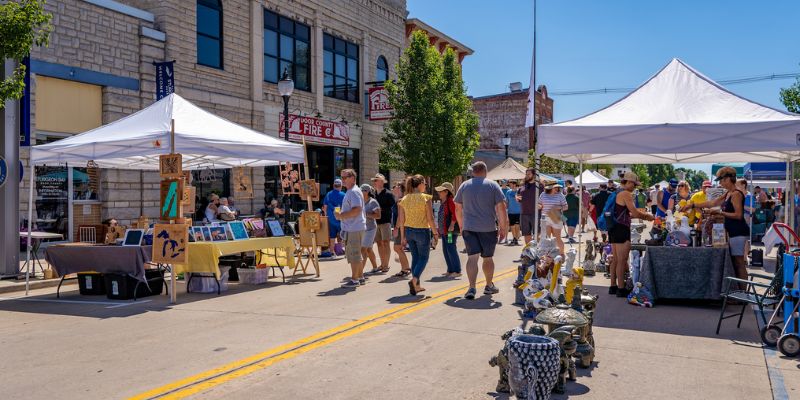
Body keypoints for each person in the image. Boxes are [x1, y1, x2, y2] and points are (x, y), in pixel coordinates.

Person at [682, 166, 750, 284]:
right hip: (733, 231)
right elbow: (712, 203)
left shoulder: (736, 194)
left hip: (738, 231)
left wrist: (719, 212)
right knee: (735, 262)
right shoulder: (729, 193)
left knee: (739, 262)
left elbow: (738, 215)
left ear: (728, 179)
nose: (720, 183)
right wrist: (692, 205)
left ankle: (743, 294)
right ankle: (739, 293)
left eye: (721, 180)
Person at [455, 161, 508, 300]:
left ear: (473, 171)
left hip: (469, 227)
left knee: (472, 258)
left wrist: (461, 225)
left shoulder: (464, 186)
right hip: (488, 228)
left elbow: (458, 208)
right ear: (485, 171)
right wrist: (503, 228)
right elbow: (501, 209)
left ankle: (471, 288)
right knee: (488, 258)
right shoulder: (492, 185)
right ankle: (489, 285)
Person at [609, 172, 655, 297]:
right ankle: (621, 288)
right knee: (622, 260)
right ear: (628, 182)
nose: (634, 187)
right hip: (621, 229)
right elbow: (634, 211)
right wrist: (647, 216)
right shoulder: (625, 194)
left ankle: (613, 286)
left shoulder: (616, 192)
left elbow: (625, 212)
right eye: (634, 184)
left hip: (613, 227)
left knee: (616, 259)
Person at [397, 175, 437, 295]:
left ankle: (417, 285)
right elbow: (430, 218)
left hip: (409, 231)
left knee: (415, 257)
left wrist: (403, 236)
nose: (426, 186)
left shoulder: (405, 199)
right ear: (419, 184)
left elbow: (401, 220)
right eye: (425, 183)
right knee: (424, 258)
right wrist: (435, 233)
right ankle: (414, 280)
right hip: (422, 231)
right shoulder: (426, 198)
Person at [334, 169, 366, 288]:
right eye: (341, 177)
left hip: (354, 227)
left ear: (352, 178)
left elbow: (357, 209)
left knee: (354, 254)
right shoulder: (352, 191)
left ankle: (354, 279)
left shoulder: (353, 192)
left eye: (345, 177)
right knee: (356, 253)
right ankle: (360, 277)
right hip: (354, 227)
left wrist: (341, 216)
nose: (342, 180)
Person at [435, 182, 461, 277]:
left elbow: (455, 213)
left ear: (446, 192)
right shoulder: (444, 201)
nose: (439, 193)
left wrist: (452, 225)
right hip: (444, 231)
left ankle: (457, 271)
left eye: (441, 191)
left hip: (450, 231)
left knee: (451, 248)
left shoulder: (450, 201)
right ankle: (450, 270)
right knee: (446, 249)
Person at [371, 174, 395, 273]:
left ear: (382, 182)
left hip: (385, 221)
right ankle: (382, 264)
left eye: (377, 180)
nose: (375, 182)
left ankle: (386, 265)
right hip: (376, 222)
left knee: (386, 243)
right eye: (374, 180)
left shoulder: (388, 194)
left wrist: (382, 210)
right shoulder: (373, 194)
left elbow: (393, 207)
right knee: (379, 243)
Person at [539, 183, 568, 255]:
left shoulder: (560, 195)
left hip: (556, 216)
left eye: (557, 187)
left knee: (557, 237)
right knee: (547, 238)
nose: (557, 189)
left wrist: (558, 207)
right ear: (549, 188)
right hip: (545, 217)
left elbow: (566, 207)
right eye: (555, 188)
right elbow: (539, 204)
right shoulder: (543, 194)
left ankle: (561, 254)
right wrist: (538, 206)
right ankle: (548, 256)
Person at [391, 180, 411, 277]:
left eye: (396, 186)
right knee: (398, 248)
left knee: (398, 247)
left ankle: (406, 268)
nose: (394, 187)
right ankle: (405, 268)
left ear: (399, 188)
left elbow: (400, 217)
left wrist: (396, 228)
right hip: (401, 227)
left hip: (400, 227)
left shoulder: (401, 200)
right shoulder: (399, 199)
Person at [360, 184, 381, 275]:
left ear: (367, 192)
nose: (360, 192)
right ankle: (375, 267)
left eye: (363, 190)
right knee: (368, 249)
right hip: (362, 228)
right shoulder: (359, 201)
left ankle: (359, 273)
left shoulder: (373, 202)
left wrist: (366, 214)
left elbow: (378, 216)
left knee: (363, 249)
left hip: (370, 229)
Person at [323, 178, 346, 251]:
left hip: (331, 219)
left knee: (332, 236)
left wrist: (326, 215)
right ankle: (342, 251)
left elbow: (325, 207)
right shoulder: (344, 195)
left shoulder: (329, 194)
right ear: (341, 186)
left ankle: (332, 252)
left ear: (333, 185)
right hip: (340, 219)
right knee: (343, 235)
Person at [517, 168, 539, 244]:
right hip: (524, 213)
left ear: (534, 175)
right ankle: (529, 251)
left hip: (536, 213)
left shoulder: (539, 186)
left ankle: (537, 251)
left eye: (529, 174)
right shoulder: (522, 186)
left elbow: (544, 199)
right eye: (526, 174)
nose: (527, 176)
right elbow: (519, 197)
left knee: (537, 234)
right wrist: (517, 198)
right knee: (526, 234)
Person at [505, 180, 522, 245]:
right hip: (510, 212)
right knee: (512, 225)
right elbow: (507, 202)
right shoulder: (508, 192)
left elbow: (522, 200)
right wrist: (506, 210)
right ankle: (514, 238)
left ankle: (516, 239)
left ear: (514, 184)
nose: (509, 185)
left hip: (518, 211)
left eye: (510, 184)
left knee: (517, 225)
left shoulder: (519, 192)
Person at [498, 180, 510, 244]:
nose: (503, 184)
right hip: (500, 209)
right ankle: (501, 237)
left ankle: (506, 238)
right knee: (500, 223)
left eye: (504, 182)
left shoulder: (509, 190)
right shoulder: (499, 189)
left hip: (507, 209)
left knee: (507, 223)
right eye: (502, 182)